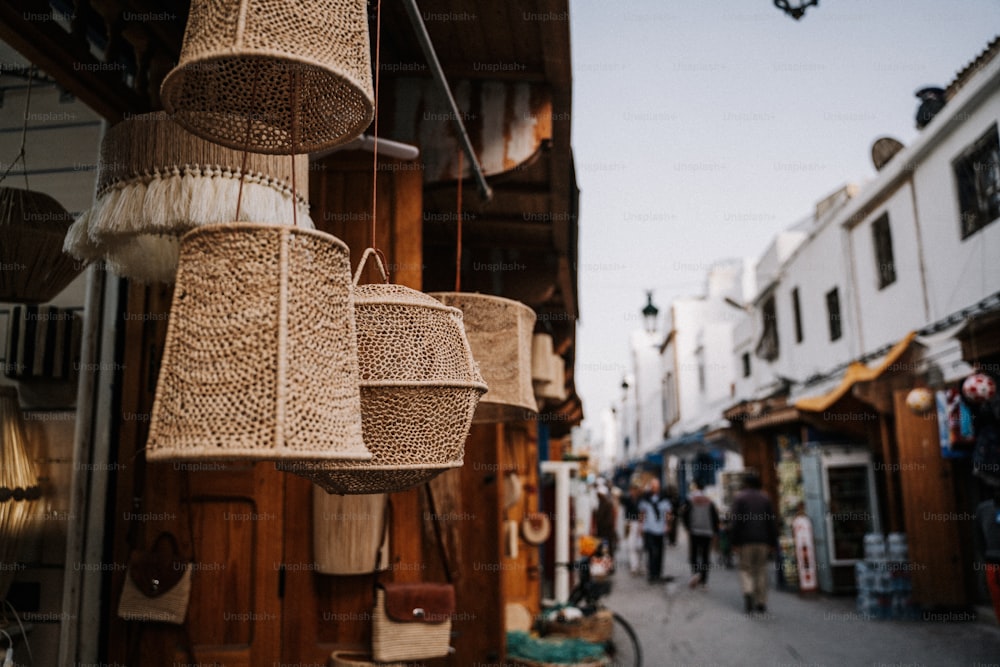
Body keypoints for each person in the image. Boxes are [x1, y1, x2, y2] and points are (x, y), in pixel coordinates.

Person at [729, 473, 778, 613]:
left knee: (746, 569)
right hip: (763, 540)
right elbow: (771, 522)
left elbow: (735, 522)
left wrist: (734, 542)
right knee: (761, 570)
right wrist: (773, 542)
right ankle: (761, 602)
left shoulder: (740, 498)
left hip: (745, 541)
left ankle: (748, 592)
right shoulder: (765, 498)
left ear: (746, 484)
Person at [679, 480, 719, 589]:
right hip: (707, 532)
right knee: (705, 556)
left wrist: (687, 527)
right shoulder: (709, 501)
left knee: (694, 554)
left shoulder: (690, 500)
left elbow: (684, 514)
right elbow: (714, 517)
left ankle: (696, 573)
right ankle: (704, 581)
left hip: (694, 531)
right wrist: (715, 531)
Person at [637, 478, 672, 583]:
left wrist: (668, 525)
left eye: (656, 486)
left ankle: (658, 573)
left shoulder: (664, 498)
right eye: (653, 486)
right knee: (651, 552)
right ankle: (652, 574)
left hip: (661, 529)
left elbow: (668, 513)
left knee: (660, 552)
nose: (655, 488)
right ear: (650, 487)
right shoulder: (645, 498)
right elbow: (642, 513)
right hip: (649, 529)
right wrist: (641, 526)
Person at [973, 485, 1000, 624]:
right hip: (993, 562)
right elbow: (979, 537)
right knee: (997, 599)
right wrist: (985, 555)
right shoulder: (984, 509)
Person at [621, 479, 644, 576]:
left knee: (640, 546)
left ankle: (638, 565)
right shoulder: (627, 499)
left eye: (636, 489)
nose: (634, 491)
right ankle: (634, 566)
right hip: (629, 523)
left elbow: (643, 512)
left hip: (639, 523)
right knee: (631, 546)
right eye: (632, 489)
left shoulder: (641, 500)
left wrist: (641, 524)